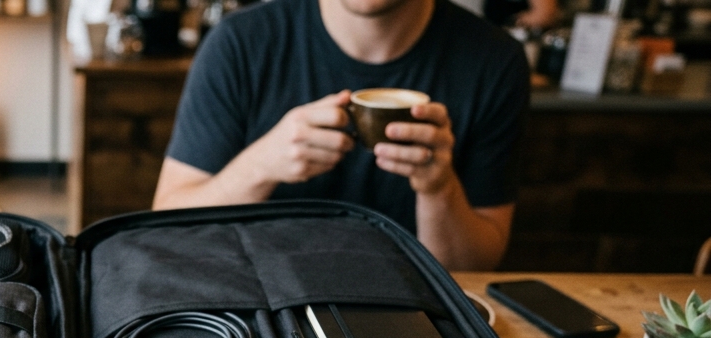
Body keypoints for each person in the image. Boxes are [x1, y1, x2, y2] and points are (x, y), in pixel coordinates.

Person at [152, 0, 531, 270]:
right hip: (257, 301)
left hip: (411, 318)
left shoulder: (494, 61)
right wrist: (260, 166)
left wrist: (438, 189)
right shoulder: (240, 42)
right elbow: (166, 230)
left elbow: (476, 266)